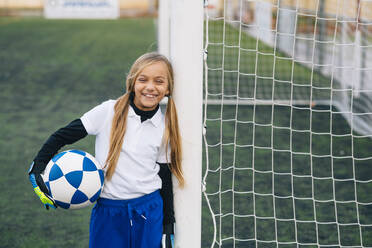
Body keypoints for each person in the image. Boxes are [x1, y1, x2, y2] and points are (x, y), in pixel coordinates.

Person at [28, 52, 184, 248]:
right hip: (108, 211)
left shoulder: (165, 126)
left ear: (168, 88)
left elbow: (164, 175)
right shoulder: (108, 111)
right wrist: (38, 166)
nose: (150, 87)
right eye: (143, 80)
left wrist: (167, 225)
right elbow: (62, 135)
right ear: (132, 82)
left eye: (159, 81)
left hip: (149, 210)